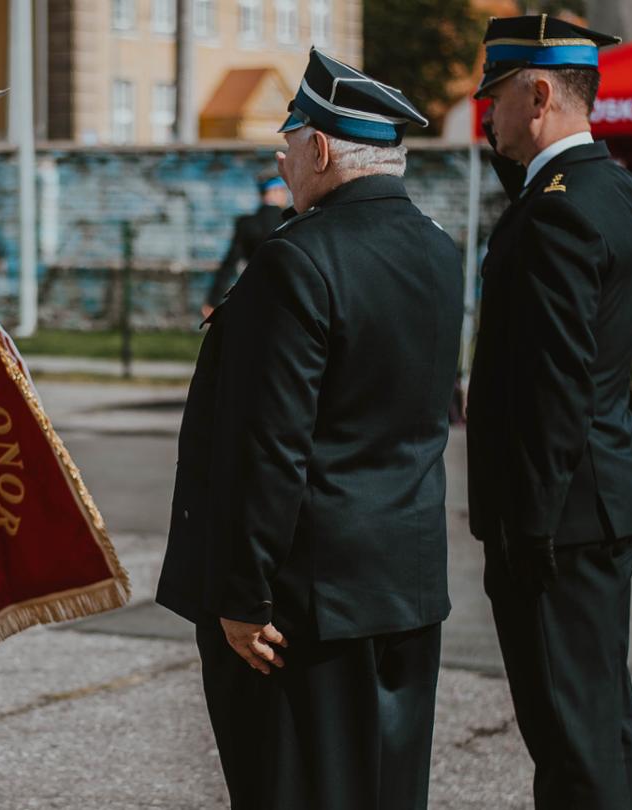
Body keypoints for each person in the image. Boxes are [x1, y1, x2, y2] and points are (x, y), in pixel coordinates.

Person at [156, 49, 458, 810]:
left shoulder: (296, 261)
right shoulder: (437, 250)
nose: (280, 156)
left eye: (288, 139)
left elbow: (271, 447)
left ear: (320, 148)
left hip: (305, 601)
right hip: (403, 582)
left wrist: (242, 594)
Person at [469, 15, 632, 810]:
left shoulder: (550, 215)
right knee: (604, 718)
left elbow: (553, 384)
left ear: (538, 92)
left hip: (559, 516)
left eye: (497, 98)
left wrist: (527, 529)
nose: (488, 117)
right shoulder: (612, 188)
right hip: (604, 493)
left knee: (569, 738)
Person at [203, 176, 289, 317]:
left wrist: (213, 300)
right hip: (287, 295)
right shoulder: (291, 221)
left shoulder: (247, 224)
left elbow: (230, 264)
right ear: (275, 191)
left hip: (255, 292)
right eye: (283, 190)